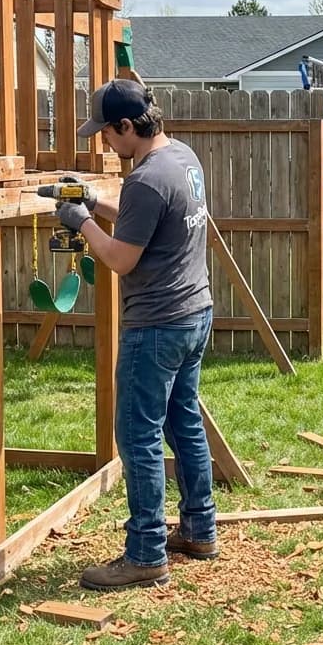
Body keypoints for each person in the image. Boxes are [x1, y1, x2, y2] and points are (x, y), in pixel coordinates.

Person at [54, 79, 217, 591]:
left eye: (106, 132)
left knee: (138, 436)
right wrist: (91, 202)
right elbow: (143, 221)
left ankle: (145, 553)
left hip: (157, 324)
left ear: (128, 126)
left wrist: (80, 223)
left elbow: (122, 257)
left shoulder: (147, 180)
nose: (103, 142)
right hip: (195, 312)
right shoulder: (182, 158)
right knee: (183, 422)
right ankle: (199, 529)